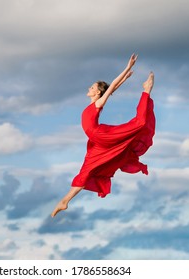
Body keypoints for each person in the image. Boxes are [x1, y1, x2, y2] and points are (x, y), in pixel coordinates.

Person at [51, 54, 155, 217]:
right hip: (95, 141)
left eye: (92, 88)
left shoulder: (98, 104)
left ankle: (146, 91)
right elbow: (111, 89)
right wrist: (124, 80)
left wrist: (127, 68)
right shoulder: (94, 104)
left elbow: (111, 86)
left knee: (139, 124)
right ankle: (64, 201)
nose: (89, 89)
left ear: (98, 93)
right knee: (86, 170)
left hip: (101, 135)